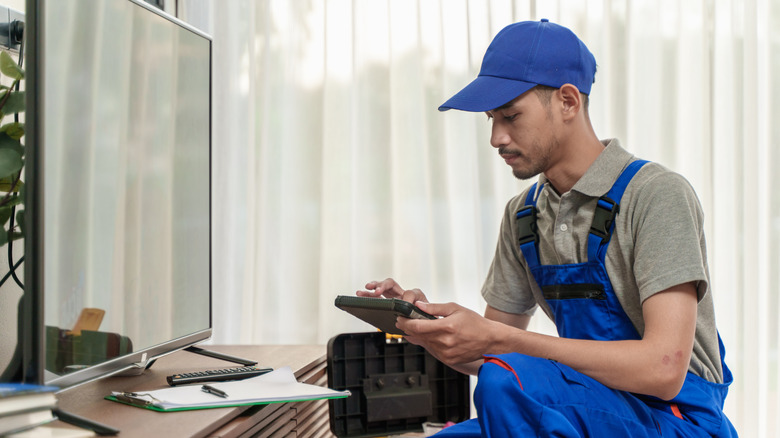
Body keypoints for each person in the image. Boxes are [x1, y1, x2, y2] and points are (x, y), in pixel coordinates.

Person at [357, 19, 737, 437]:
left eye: (511, 115)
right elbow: (486, 352)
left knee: (505, 379)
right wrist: (428, 330)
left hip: (675, 418)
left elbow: (663, 370)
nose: (496, 137)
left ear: (569, 102)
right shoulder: (523, 215)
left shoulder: (656, 195)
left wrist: (500, 343)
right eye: (490, 119)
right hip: (583, 405)